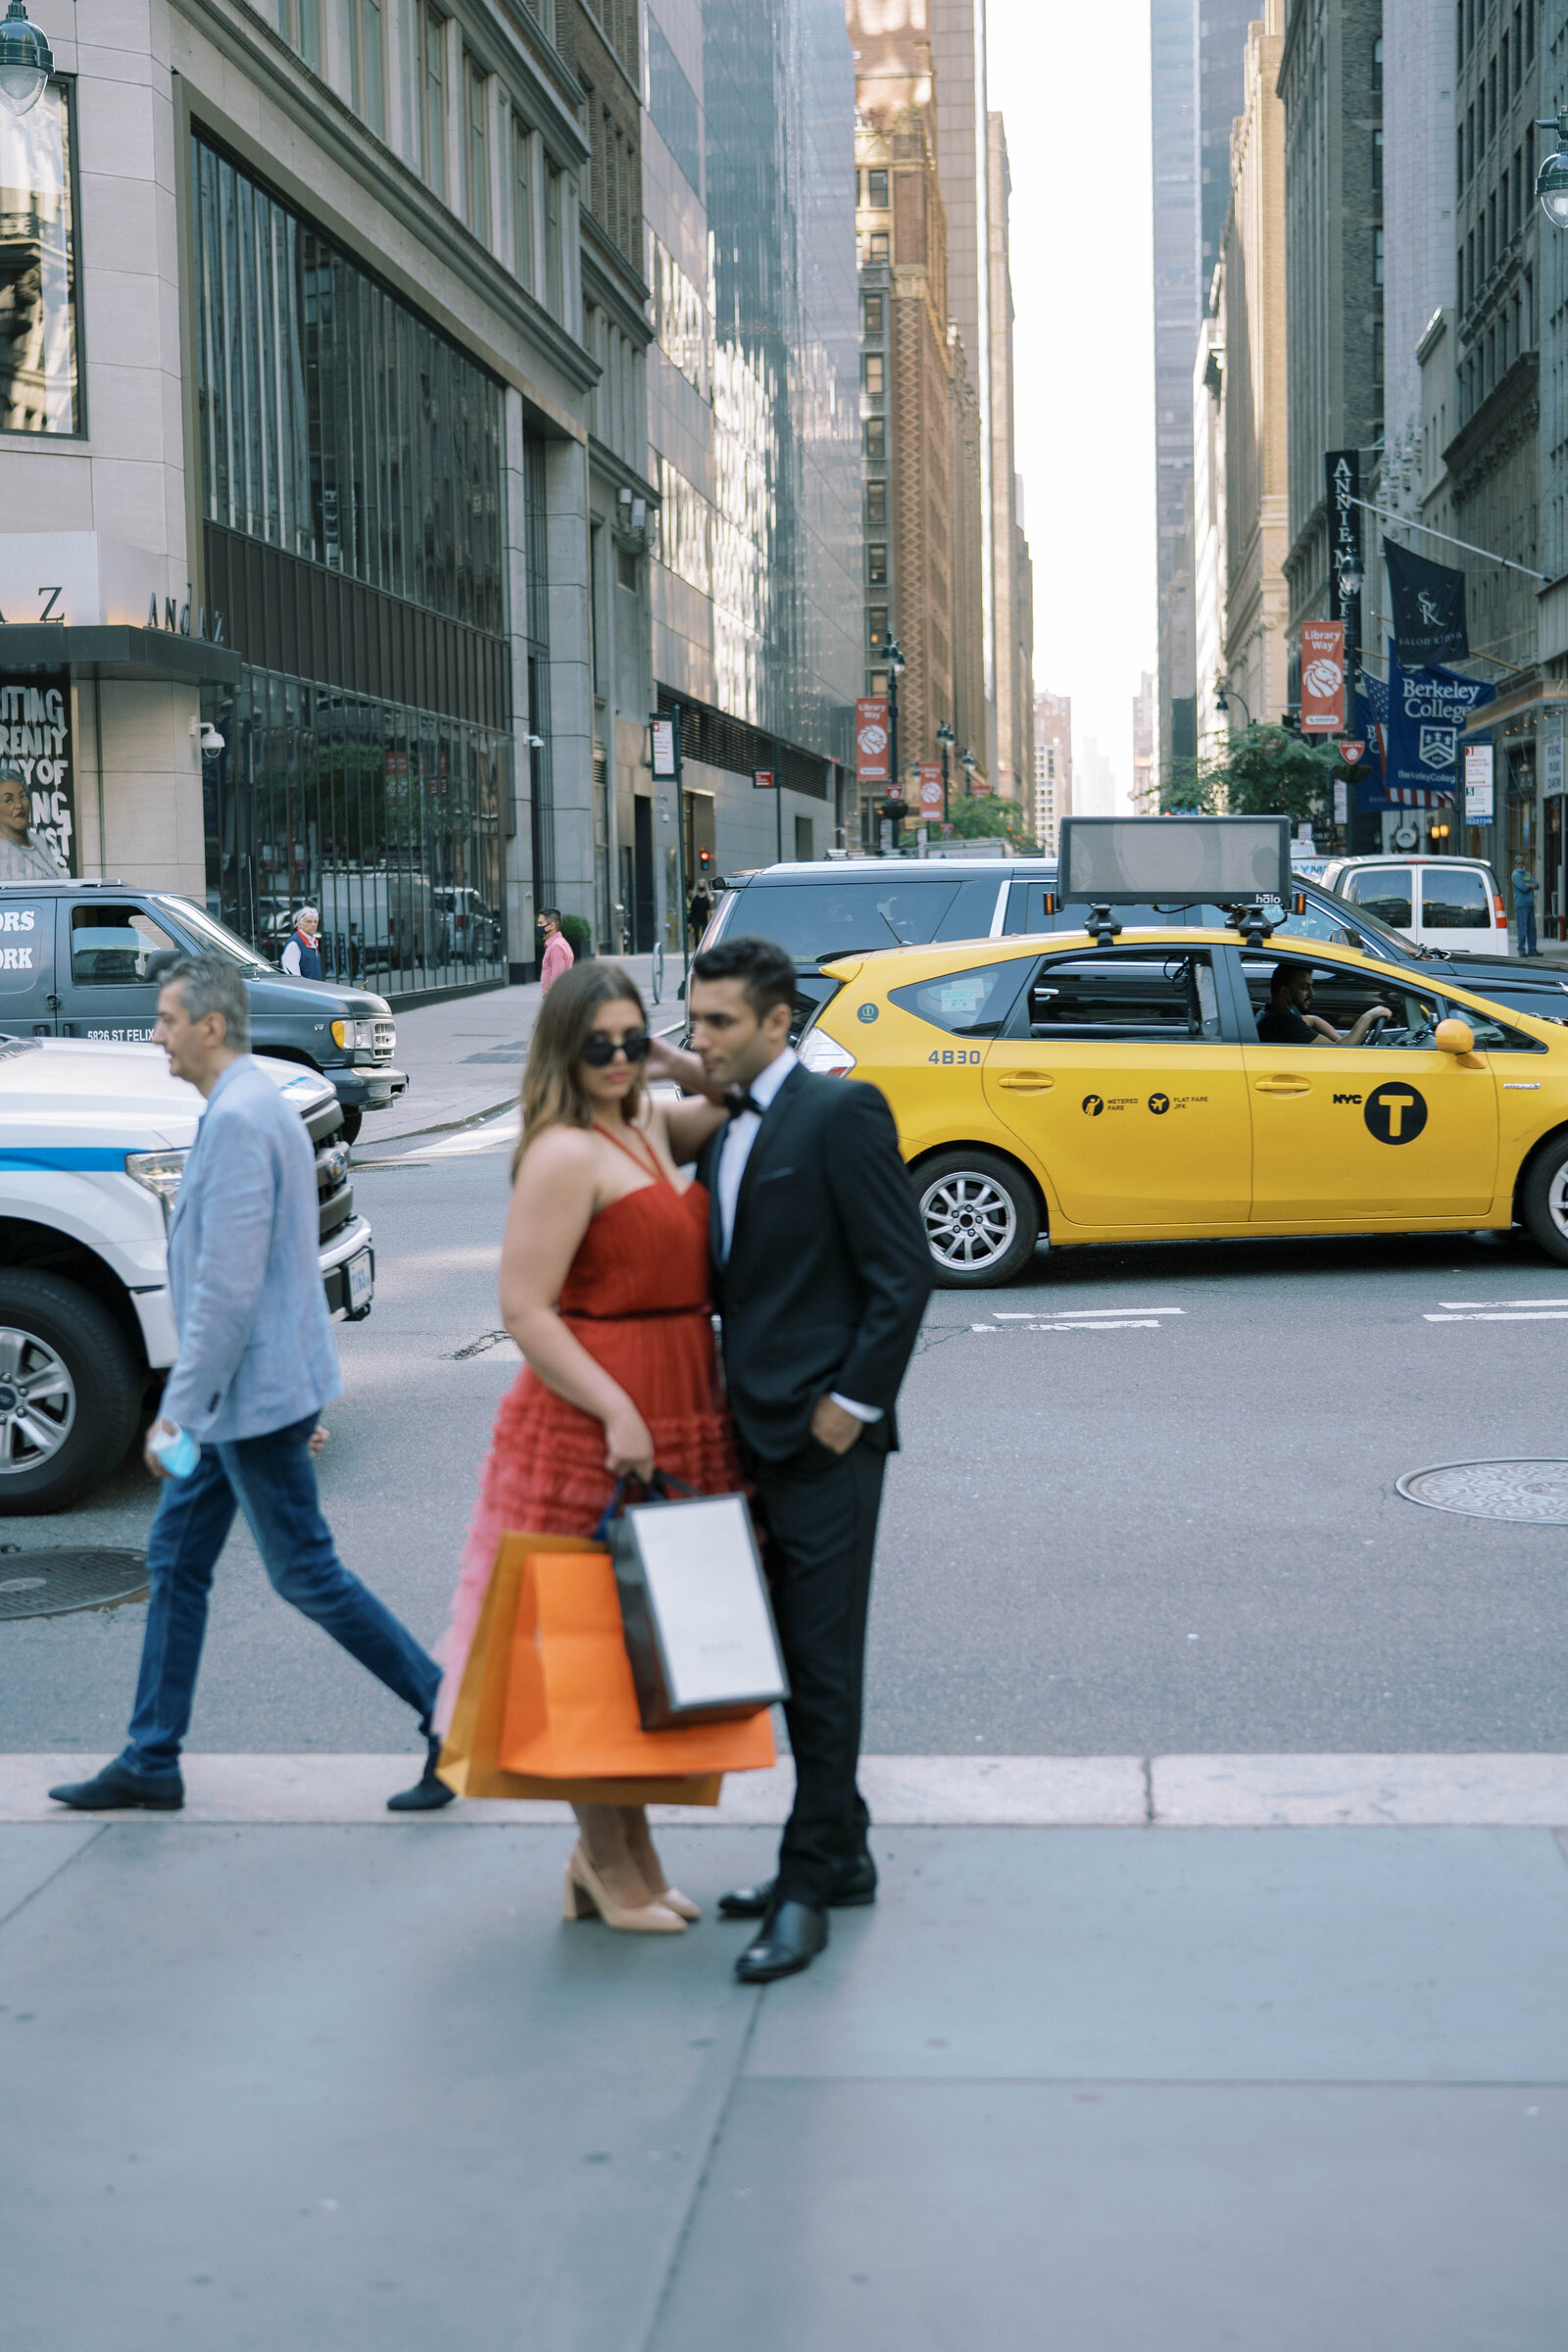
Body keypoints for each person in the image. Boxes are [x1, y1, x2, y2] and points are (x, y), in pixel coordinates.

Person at [48, 956, 450, 1817]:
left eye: (166, 1020)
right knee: (177, 1561)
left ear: (212, 1027)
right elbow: (283, 1264)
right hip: (262, 1390)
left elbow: (229, 1289)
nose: (156, 1036)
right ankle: (151, 1757)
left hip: (242, 1400)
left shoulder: (236, 1119)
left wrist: (176, 1417)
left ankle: (448, 1712)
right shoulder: (258, 1106)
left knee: (306, 1573)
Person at [433, 961, 738, 1932]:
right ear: (564, 1047)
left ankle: (621, 1857)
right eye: (596, 1042)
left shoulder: (644, 1118)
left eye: (626, 1039)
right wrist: (615, 1412)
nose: (614, 1058)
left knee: (648, 1649)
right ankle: (610, 1863)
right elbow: (522, 1309)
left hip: (672, 1393)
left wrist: (666, 1058)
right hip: (595, 1416)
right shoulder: (563, 1152)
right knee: (591, 1654)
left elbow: (737, 1094)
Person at [687, 934, 932, 1984]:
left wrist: (851, 1404)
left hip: (827, 1443)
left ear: (780, 1021)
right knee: (786, 1661)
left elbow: (901, 1274)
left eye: (720, 1024)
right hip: (744, 1438)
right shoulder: (719, 1125)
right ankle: (844, 1853)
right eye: (692, 1022)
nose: (700, 1041)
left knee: (822, 1670)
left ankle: (803, 1886)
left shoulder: (841, 1113)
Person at [1254, 961, 1393, 1048]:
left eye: (1311, 987)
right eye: (1304, 988)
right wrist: (1368, 1017)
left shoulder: (1274, 1012)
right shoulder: (1282, 1023)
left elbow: (1314, 1020)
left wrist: (1341, 1039)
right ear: (1284, 992)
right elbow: (1340, 1053)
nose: (1311, 993)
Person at [0, 766, 65, 883]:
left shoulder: (38, 842)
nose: (19, 805)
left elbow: (63, 881)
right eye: (9, 800)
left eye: (23, 797)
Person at [538, 907, 574, 994]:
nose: (538, 926)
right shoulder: (560, 943)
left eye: (540, 923)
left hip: (555, 998)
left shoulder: (556, 946)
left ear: (551, 926)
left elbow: (557, 979)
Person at [279, 906, 322, 978]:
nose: (313, 925)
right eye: (309, 921)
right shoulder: (294, 944)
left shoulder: (312, 941)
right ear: (299, 924)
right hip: (305, 988)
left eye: (315, 921)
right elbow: (292, 977)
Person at [1511, 859, 1539, 956]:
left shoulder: (1527, 874)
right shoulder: (1515, 875)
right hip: (1521, 905)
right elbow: (1523, 887)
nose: (1521, 865)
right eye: (1519, 863)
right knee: (1522, 928)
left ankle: (1532, 949)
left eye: (1522, 863)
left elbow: (1537, 885)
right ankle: (1521, 950)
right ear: (1516, 865)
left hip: (1530, 904)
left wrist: (1530, 884)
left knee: (1532, 928)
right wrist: (1530, 885)